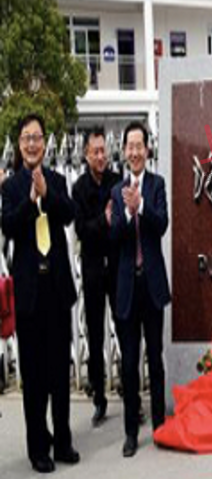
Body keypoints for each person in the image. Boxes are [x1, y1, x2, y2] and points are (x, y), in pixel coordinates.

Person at [0, 114, 79, 473]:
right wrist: (31, 200)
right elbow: (9, 226)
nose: (32, 144)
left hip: (56, 288)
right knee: (33, 375)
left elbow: (68, 214)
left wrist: (47, 193)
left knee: (59, 370)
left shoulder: (57, 180)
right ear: (19, 145)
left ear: (45, 143)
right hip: (30, 291)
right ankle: (38, 448)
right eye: (26, 138)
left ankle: (62, 441)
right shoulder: (11, 187)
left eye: (37, 137)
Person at [110, 122, 171, 457]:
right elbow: (114, 237)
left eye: (139, 146)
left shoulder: (157, 185)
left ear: (147, 149)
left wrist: (142, 207)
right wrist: (124, 212)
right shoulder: (116, 191)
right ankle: (131, 433)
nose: (134, 152)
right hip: (127, 288)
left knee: (155, 361)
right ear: (124, 151)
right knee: (130, 363)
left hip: (152, 286)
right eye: (130, 146)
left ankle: (160, 426)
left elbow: (161, 224)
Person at [72, 127, 121, 427]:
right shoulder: (79, 188)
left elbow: (122, 222)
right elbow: (82, 230)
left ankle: (129, 392)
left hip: (116, 265)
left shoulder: (117, 182)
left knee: (124, 328)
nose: (101, 156)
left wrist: (103, 224)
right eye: (96, 152)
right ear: (86, 154)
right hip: (92, 269)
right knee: (95, 333)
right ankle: (99, 399)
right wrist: (103, 220)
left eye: (104, 150)